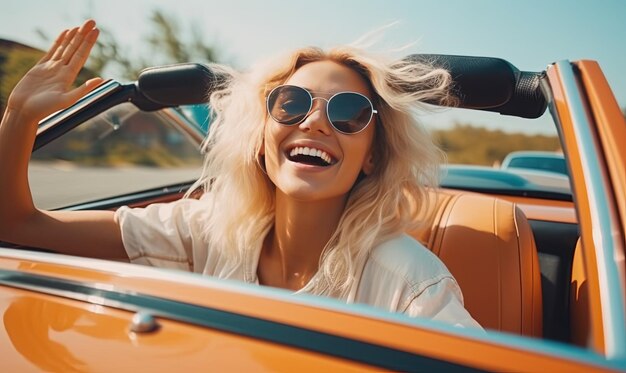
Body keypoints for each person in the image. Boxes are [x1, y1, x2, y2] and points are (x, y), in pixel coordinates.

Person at [0, 20, 481, 329]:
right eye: (291, 104)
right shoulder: (205, 229)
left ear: (372, 156)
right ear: (260, 135)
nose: (313, 122)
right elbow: (19, 226)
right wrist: (19, 117)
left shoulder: (411, 283)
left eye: (349, 113)